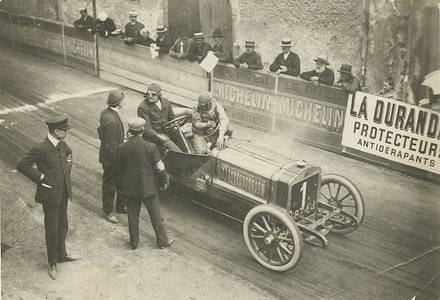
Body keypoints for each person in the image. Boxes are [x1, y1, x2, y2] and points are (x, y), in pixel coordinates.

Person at [16, 115, 80, 280]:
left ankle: (62, 254)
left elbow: (68, 156)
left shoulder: (63, 145)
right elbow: (22, 165)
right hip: (50, 194)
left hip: (63, 194)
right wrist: (41, 178)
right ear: (56, 131)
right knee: (52, 228)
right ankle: (52, 262)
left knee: (63, 224)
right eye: (64, 130)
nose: (66, 133)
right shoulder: (40, 148)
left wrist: (67, 172)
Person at [113, 117, 175, 250]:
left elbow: (117, 170)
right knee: (156, 216)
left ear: (130, 131)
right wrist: (164, 181)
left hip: (130, 188)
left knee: (132, 216)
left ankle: (134, 242)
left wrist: (121, 188)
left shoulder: (121, 148)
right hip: (149, 187)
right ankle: (162, 241)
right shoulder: (151, 147)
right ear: (142, 130)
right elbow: (160, 167)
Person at [97, 91, 127, 224]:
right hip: (112, 159)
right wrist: (118, 161)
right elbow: (110, 146)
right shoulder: (112, 120)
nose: (123, 102)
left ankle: (120, 206)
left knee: (121, 182)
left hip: (111, 155)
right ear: (119, 103)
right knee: (110, 185)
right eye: (122, 100)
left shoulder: (105, 113)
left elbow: (100, 131)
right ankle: (108, 211)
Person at [137, 83, 182, 154]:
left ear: (159, 95)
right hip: (155, 134)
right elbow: (147, 129)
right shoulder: (143, 107)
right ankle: (179, 156)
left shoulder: (165, 102)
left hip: (167, 130)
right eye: (148, 94)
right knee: (175, 150)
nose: (150, 96)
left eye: (153, 94)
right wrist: (157, 135)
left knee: (182, 138)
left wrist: (174, 125)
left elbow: (171, 117)